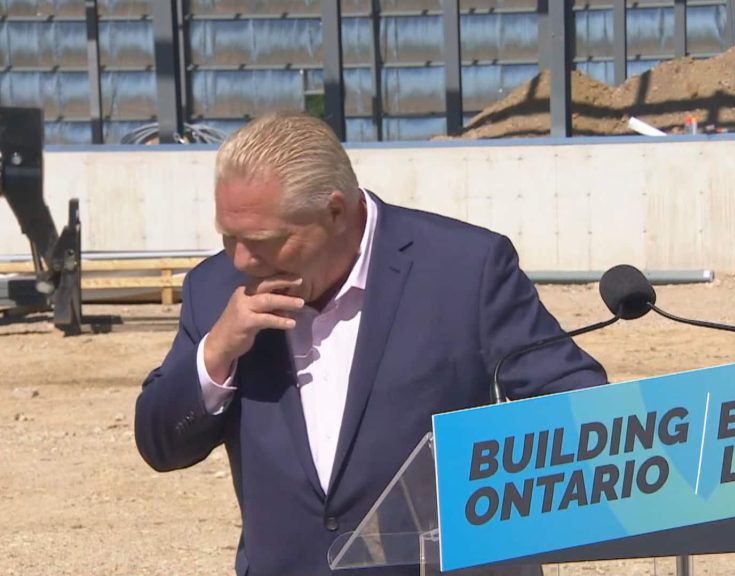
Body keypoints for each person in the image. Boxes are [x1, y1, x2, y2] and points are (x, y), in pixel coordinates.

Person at [134, 111, 607, 576]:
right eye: (227, 236)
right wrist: (217, 353)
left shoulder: (466, 269)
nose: (240, 258)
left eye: (263, 240)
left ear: (335, 212)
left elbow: (571, 404)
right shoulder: (216, 289)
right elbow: (160, 445)